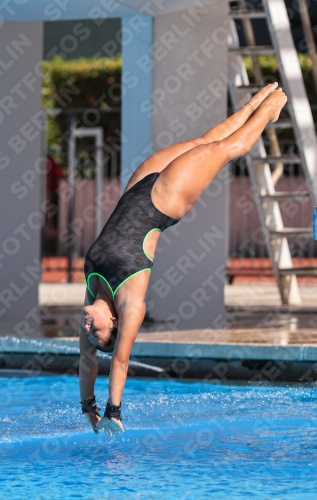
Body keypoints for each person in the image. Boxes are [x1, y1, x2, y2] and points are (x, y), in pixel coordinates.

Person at [79, 83, 287, 435]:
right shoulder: (130, 302)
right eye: (95, 331)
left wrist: (88, 408)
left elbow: (86, 361)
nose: (86, 328)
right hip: (164, 199)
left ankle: (254, 103)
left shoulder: (92, 290)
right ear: (113, 322)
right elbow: (120, 359)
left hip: (137, 188)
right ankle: (270, 109)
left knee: (202, 141)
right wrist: (113, 413)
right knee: (225, 148)